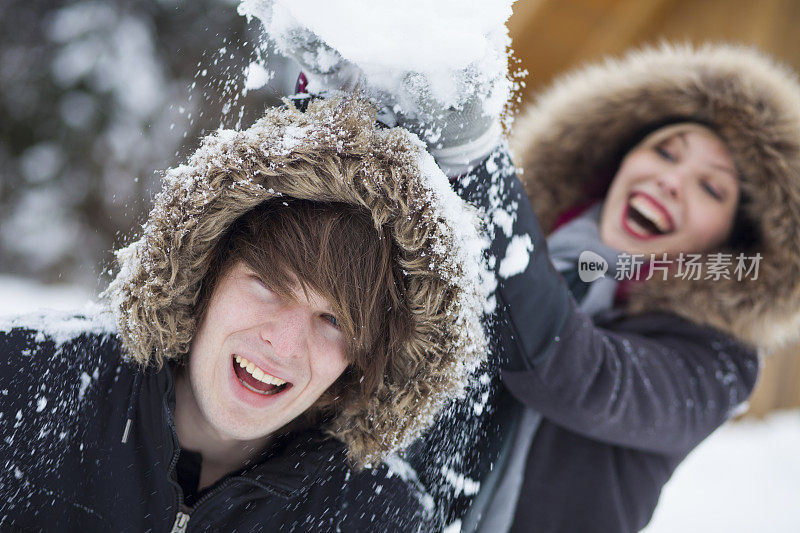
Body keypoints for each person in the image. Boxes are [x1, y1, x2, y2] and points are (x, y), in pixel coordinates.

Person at [0, 95, 490, 531]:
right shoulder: (21, 380)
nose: (284, 342)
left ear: (362, 362)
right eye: (269, 285)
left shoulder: (378, 518)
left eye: (335, 320)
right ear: (203, 273)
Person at [487, 42, 800, 532]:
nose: (672, 181)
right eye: (665, 151)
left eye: (711, 187)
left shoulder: (721, 360)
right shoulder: (518, 243)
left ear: (730, 240)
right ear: (620, 160)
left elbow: (584, 378)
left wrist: (487, 194)